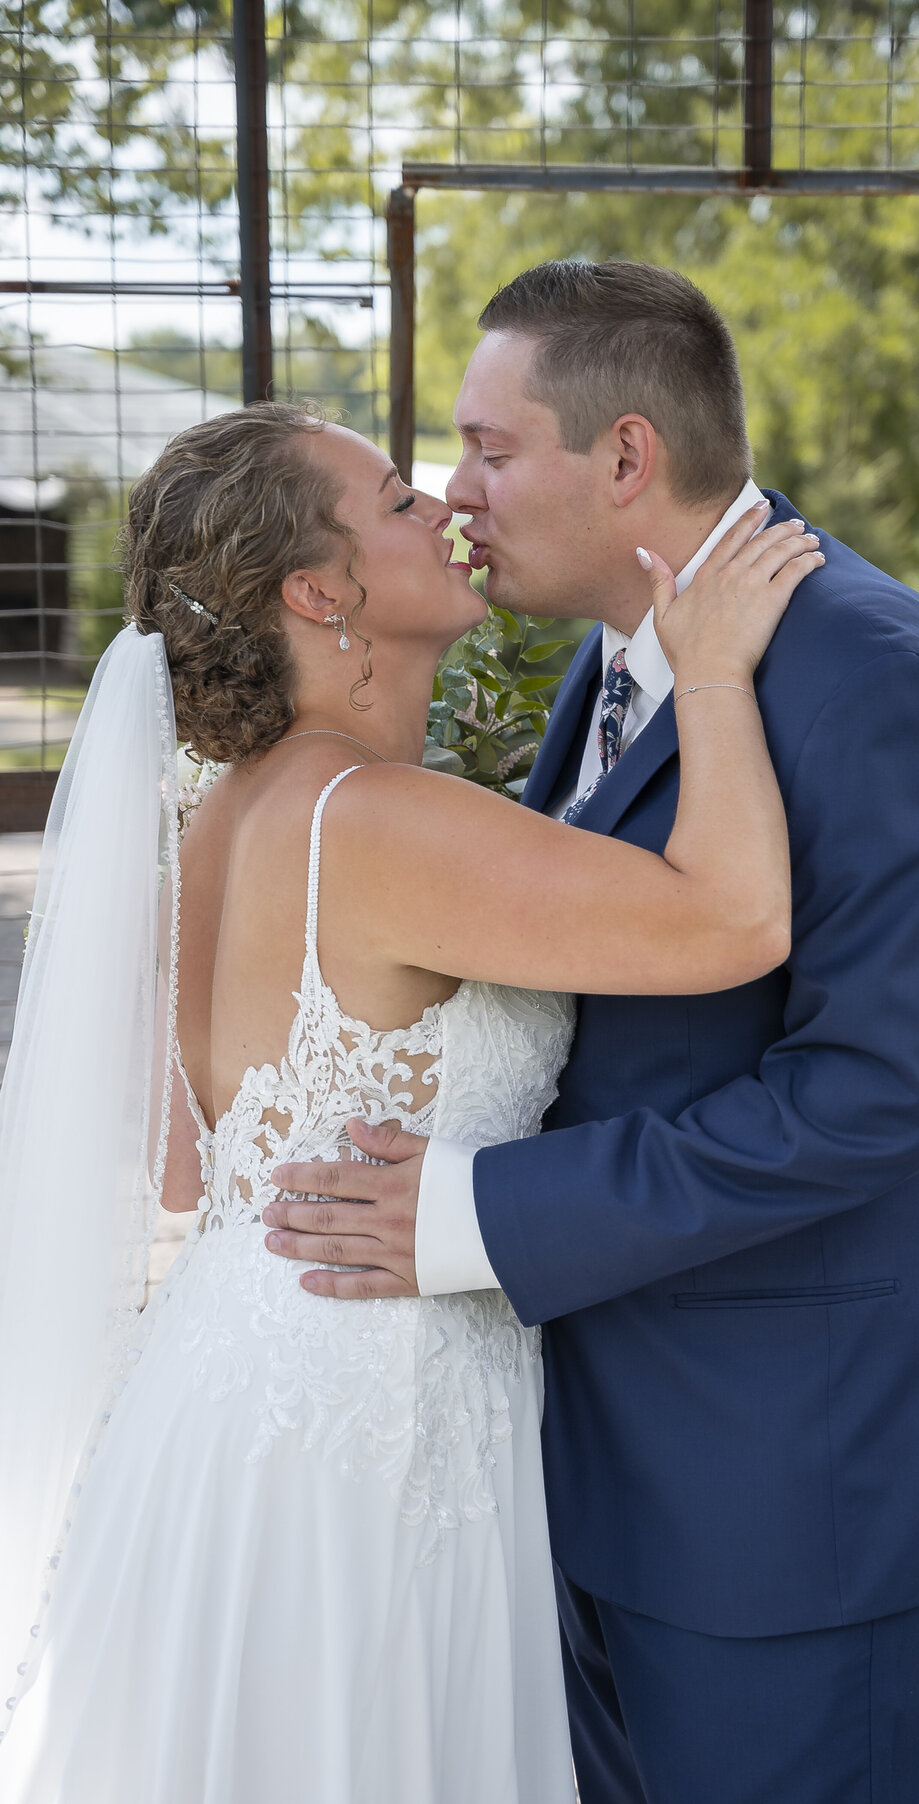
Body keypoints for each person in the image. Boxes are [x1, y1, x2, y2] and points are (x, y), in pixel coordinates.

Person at [266, 261, 919, 1804]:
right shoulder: (616, 661)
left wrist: (475, 1215)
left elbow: (872, 1100)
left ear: (626, 457)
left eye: (491, 448)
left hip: (801, 1487)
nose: (458, 490)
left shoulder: (868, 677)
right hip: (618, 1466)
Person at [0, 399, 823, 1804]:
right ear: (322, 593)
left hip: (227, 1391)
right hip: (366, 1432)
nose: (441, 503)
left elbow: (195, 1177)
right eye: (393, 500)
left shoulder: (221, 819)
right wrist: (717, 675)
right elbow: (734, 923)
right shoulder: (374, 821)